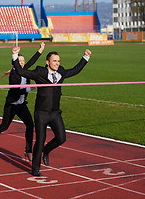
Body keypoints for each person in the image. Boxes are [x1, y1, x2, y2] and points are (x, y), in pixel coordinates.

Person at [12, 47, 91, 176]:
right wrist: (14, 55)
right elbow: (21, 71)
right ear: (48, 62)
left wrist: (85, 57)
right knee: (40, 140)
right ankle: (35, 168)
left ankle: (46, 150)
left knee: (61, 138)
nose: (57, 63)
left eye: (58, 61)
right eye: (54, 61)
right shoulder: (40, 72)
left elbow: (75, 70)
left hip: (55, 113)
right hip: (41, 113)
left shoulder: (61, 72)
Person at [0, 42, 45, 161]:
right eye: (20, 61)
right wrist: (31, 88)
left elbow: (32, 61)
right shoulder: (13, 74)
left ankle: (28, 151)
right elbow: (17, 90)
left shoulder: (25, 71)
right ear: (15, 63)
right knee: (4, 126)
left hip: (21, 105)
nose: (22, 63)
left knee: (30, 125)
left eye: (23, 61)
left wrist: (41, 49)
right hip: (12, 105)